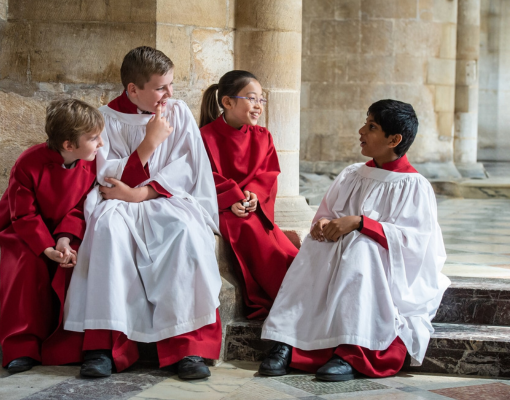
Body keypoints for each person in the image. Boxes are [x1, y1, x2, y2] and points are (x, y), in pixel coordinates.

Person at [259, 99, 450, 381]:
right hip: (340, 257)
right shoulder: (352, 174)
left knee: (362, 248)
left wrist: (361, 224)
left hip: (383, 267)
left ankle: (352, 349)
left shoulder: (415, 186)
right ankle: (288, 340)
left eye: (371, 127)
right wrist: (323, 223)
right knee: (317, 244)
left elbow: (417, 243)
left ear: (394, 139)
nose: (361, 131)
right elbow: (326, 215)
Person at [63, 46, 222, 380]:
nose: (170, 93)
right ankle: (104, 346)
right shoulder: (106, 118)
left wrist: (141, 193)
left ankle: (186, 347)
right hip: (118, 202)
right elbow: (108, 176)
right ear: (133, 89)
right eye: (161, 87)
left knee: (185, 232)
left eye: (171, 84)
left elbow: (188, 169)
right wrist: (149, 143)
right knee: (107, 232)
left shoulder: (177, 113)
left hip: (164, 198)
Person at [0, 98, 104, 374]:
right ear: (68, 145)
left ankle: (69, 346)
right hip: (23, 226)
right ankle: (21, 347)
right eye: (94, 138)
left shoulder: (91, 163)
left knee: (78, 261)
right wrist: (45, 248)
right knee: (25, 266)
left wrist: (63, 240)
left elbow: (80, 206)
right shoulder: (28, 162)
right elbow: (23, 215)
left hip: (65, 228)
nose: (101, 144)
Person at [198, 70, 299, 320]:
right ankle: (284, 298)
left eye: (261, 100)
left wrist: (253, 194)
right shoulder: (205, 136)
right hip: (223, 209)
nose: (258, 106)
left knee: (283, 250)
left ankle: (296, 293)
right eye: (252, 99)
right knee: (246, 228)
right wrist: (231, 198)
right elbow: (202, 176)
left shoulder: (263, 137)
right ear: (227, 102)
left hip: (253, 207)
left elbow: (268, 173)